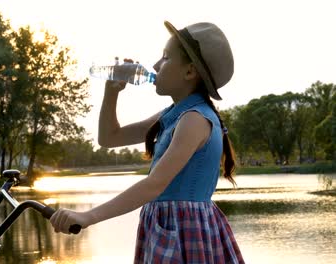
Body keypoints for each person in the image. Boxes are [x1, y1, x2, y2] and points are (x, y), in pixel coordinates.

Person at [50, 21, 245, 263]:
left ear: (189, 71)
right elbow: (109, 138)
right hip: (168, 228)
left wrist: (89, 216)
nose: (155, 65)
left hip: (185, 232)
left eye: (165, 58)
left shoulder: (195, 120)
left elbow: (155, 184)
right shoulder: (173, 115)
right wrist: (111, 92)